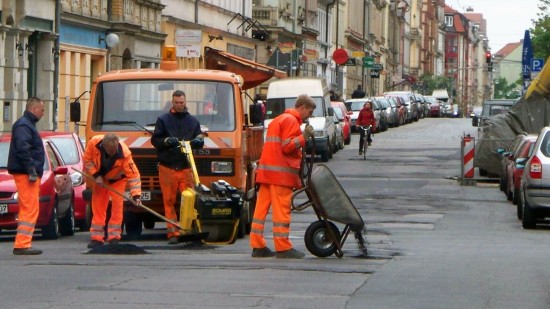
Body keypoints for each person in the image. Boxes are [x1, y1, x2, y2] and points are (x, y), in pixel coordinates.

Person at [250, 94, 316, 259]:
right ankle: (283, 247)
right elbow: (287, 147)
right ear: (301, 107)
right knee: (281, 211)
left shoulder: (278, 119)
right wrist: (304, 137)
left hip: (267, 173)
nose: (310, 115)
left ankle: (257, 246)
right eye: (309, 111)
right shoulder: (291, 121)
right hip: (281, 175)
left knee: (260, 211)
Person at [152, 90, 204, 245]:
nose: (180, 105)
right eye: (177, 103)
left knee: (190, 200)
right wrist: (167, 141)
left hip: (185, 167)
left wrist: (198, 142)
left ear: (185, 102)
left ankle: (189, 230)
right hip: (167, 167)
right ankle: (173, 233)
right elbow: (155, 140)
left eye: (182, 103)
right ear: (172, 102)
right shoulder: (163, 120)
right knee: (168, 201)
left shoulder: (193, 121)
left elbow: (200, 136)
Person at [83, 133, 142, 248]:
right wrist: (96, 175)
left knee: (117, 206)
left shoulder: (125, 154)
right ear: (103, 147)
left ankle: (114, 237)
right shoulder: (93, 143)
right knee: (98, 206)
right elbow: (87, 161)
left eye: (114, 150)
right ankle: (97, 238)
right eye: (110, 150)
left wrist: (136, 196)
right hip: (101, 178)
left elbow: (134, 175)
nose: (113, 153)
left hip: (118, 179)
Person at [7, 97, 46, 255]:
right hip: (26, 174)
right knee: (29, 208)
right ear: (34, 109)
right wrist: (31, 169)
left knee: (29, 208)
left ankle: (23, 243)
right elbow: (23, 149)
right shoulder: (24, 125)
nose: (43, 114)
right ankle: (22, 244)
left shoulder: (26, 125)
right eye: (42, 110)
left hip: (27, 173)